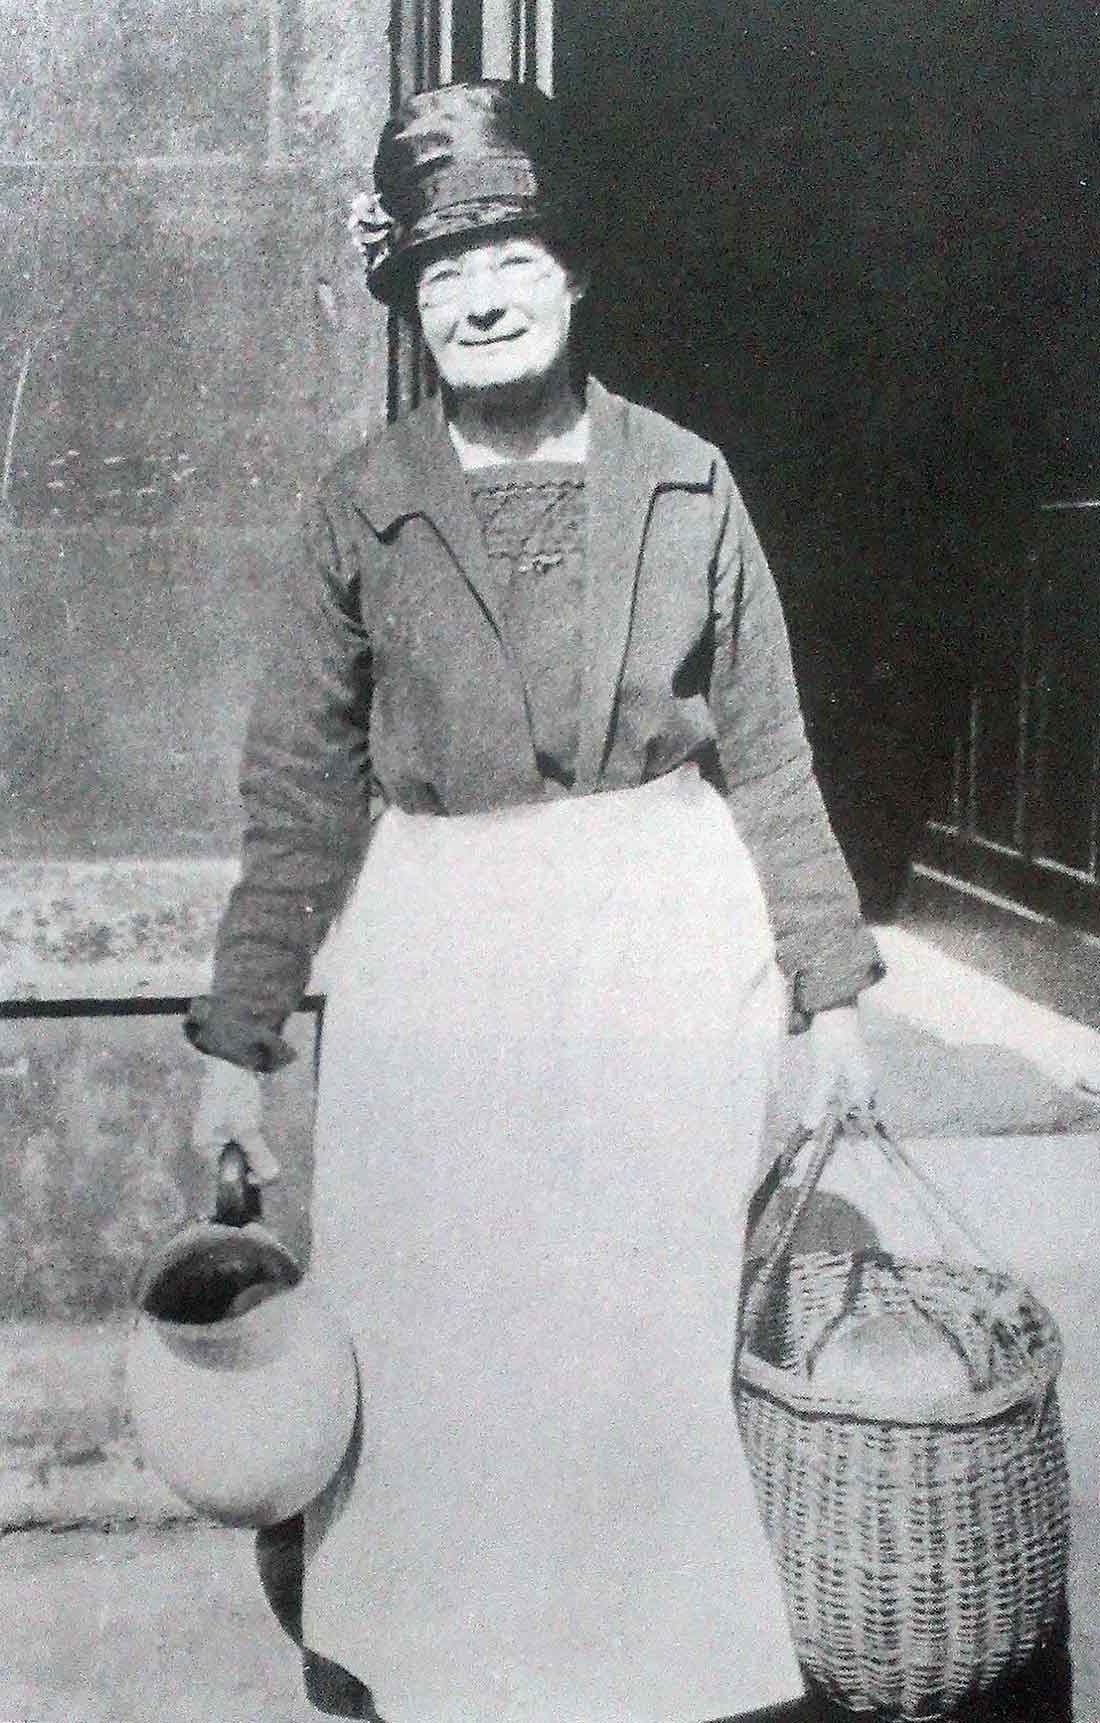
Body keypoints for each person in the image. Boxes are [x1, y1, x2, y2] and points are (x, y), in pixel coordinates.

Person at [185, 80, 883, 1723]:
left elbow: (772, 756)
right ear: (409, 305)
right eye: (441, 274)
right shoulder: (360, 508)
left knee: (636, 1327)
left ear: (573, 276)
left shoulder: (691, 485)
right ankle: (458, 1673)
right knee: (441, 1333)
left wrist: (831, 997)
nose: (481, 296)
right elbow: (298, 799)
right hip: (444, 951)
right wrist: (238, 1037)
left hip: (660, 940)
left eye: (510, 256)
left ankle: (648, 1677)